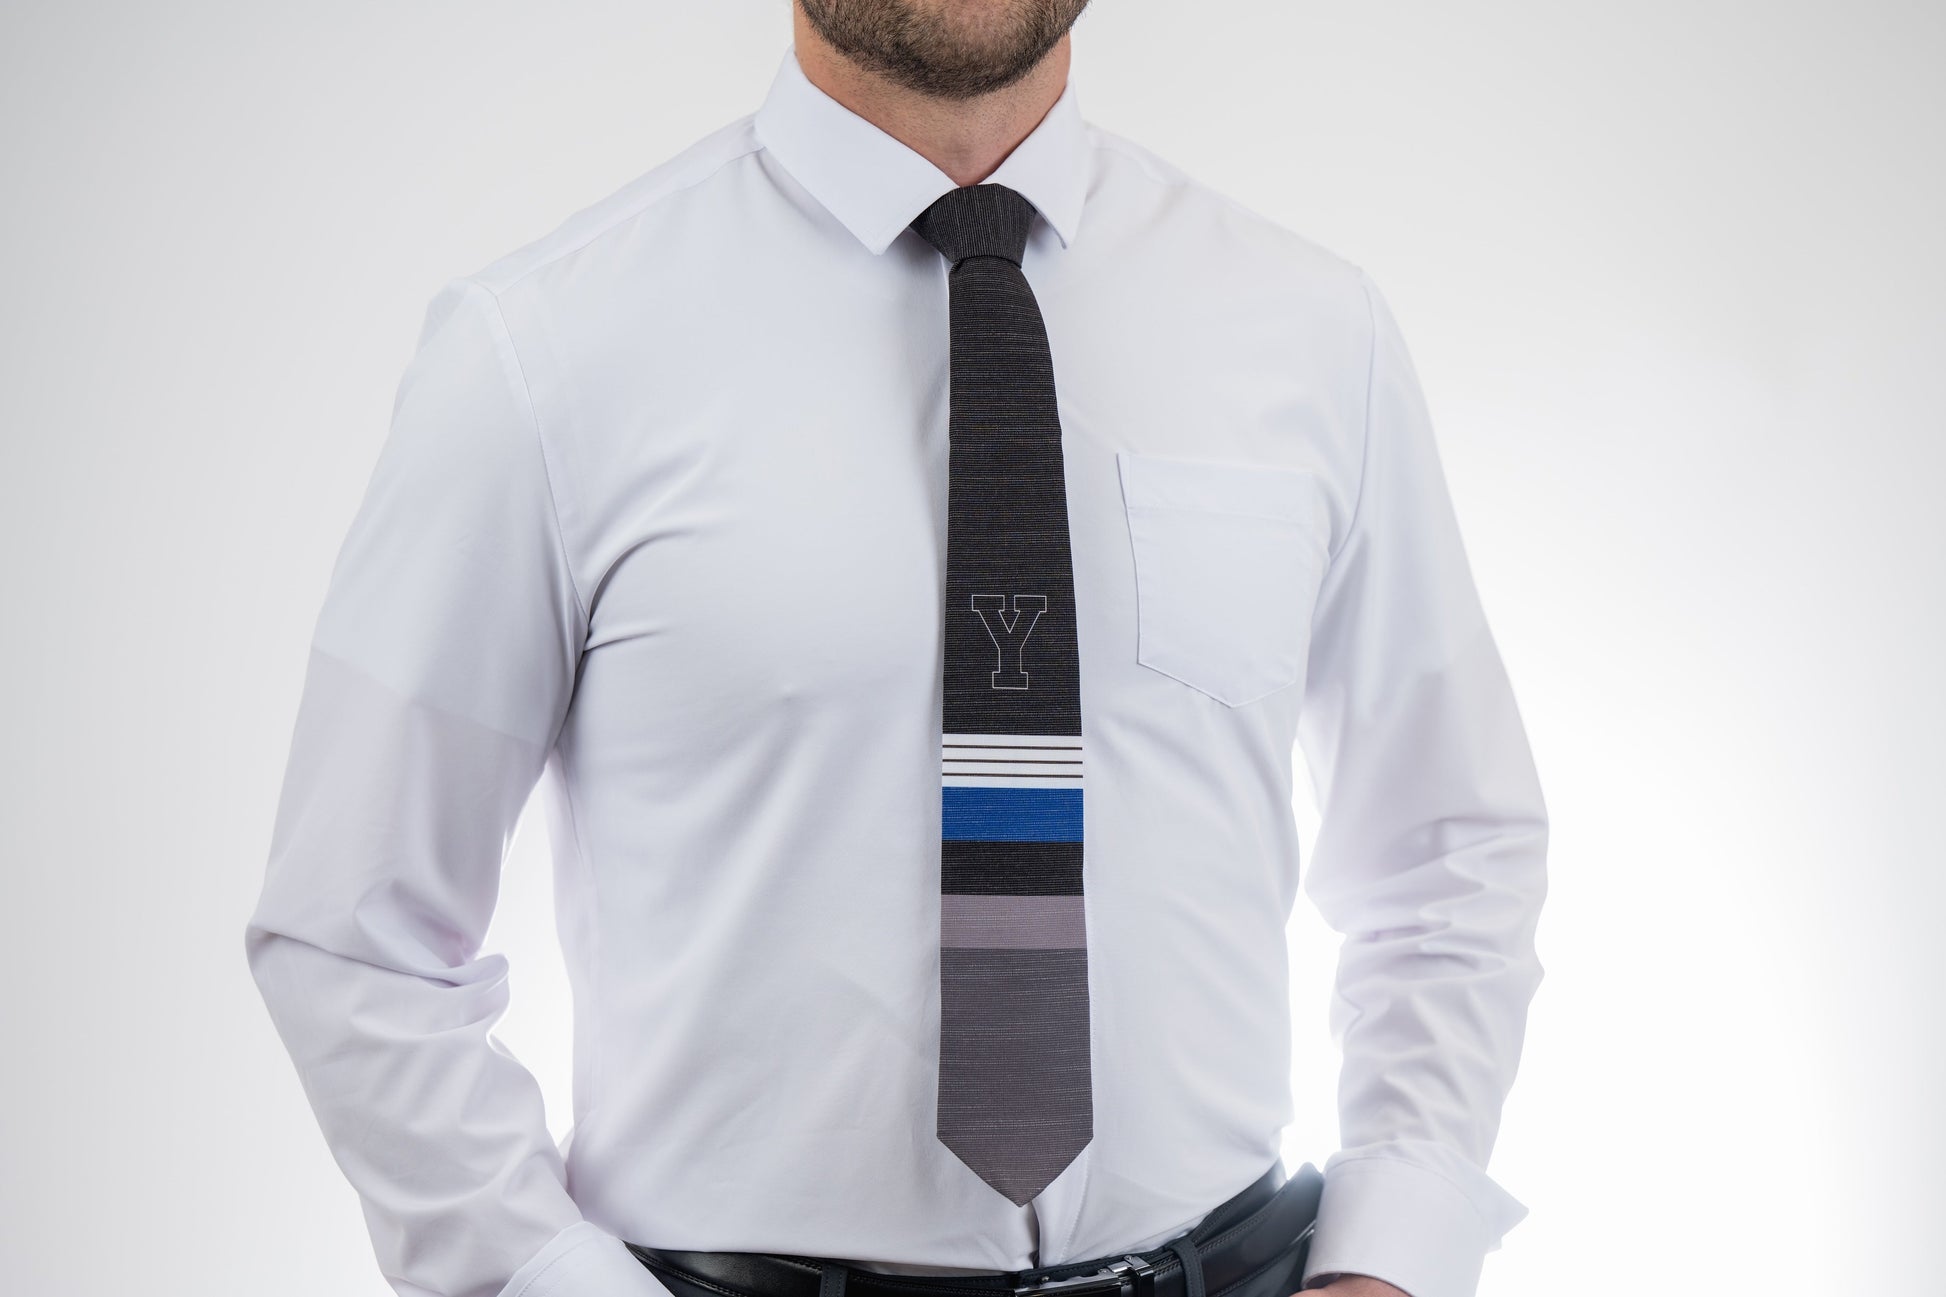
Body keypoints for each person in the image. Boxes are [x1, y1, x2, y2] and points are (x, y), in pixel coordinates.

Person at [242, 5, 1549, 1297]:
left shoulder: (1312, 329)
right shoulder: (539, 353)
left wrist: (1394, 1253)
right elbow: (355, 934)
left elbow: (1447, 846)